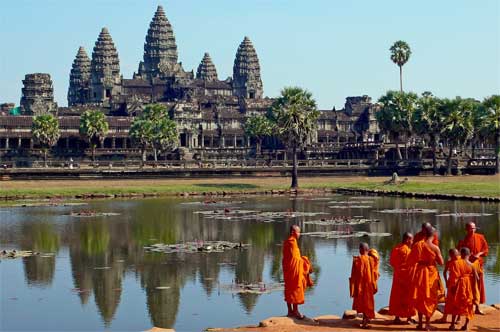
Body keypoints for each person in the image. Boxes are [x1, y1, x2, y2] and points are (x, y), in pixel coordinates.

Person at [408, 225, 444, 331]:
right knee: (429, 299)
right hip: (431, 272)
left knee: (420, 297)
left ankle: (420, 323)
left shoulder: (418, 245)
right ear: (433, 235)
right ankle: (427, 324)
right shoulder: (435, 247)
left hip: (419, 272)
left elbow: (410, 261)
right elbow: (441, 263)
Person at [282, 225, 313, 319]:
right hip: (293, 270)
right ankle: (295, 311)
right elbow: (295, 259)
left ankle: (290, 311)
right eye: (298, 232)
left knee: (289, 288)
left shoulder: (288, 242)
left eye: (299, 232)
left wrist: (302, 260)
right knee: (296, 287)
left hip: (288, 269)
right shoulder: (292, 242)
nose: (299, 234)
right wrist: (305, 262)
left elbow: (289, 258)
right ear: (292, 232)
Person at [457, 221, 489, 312]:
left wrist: (479, 254)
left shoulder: (480, 237)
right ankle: (467, 307)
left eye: (474, 228)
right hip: (467, 266)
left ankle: (478, 307)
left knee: (478, 285)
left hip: (478, 264)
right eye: (470, 228)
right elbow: (459, 252)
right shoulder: (463, 239)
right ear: (466, 229)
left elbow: (486, 249)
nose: (472, 230)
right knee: (468, 286)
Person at [349, 242, 379, 329]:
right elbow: (375, 269)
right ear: (367, 250)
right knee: (367, 303)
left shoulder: (357, 260)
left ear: (361, 250)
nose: (359, 250)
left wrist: (353, 285)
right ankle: (365, 321)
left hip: (360, 286)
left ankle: (364, 321)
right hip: (368, 284)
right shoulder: (371, 259)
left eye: (359, 248)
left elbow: (353, 274)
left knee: (362, 303)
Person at [446, 247, 476, 331]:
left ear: (461, 254)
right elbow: (476, 279)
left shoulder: (456, 263)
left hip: (459, 286)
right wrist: (474, 290)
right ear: (469, 254)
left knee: (455, 304)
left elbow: (454, 277)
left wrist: (452, 287)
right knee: (469, 305)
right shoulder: (472, 265)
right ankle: (466, 325)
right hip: (468, 287)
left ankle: (452, 325)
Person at [388, 232, 416, 324]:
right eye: (412, 240)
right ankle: (409, 318)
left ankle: (397, 317)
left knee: (397, 297)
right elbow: (412, 264)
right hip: (407, 278)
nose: (412, 242)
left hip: (397, 277)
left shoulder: (396, 248)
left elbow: (392, 262)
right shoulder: (407, 251)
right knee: (408, 297)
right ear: (408, 240)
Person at [441, 248, 460, 324]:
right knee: (448, 300)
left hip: (459, 283)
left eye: (456, 254)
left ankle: (458, 318)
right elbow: (445, 272)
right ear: (450, 255)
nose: (455, 256)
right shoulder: (449, 262)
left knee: (458, 300)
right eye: (452, 255)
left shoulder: (461, 261)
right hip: (451, 282)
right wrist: (446, 282)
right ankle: (444, 317)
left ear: (458, 253)